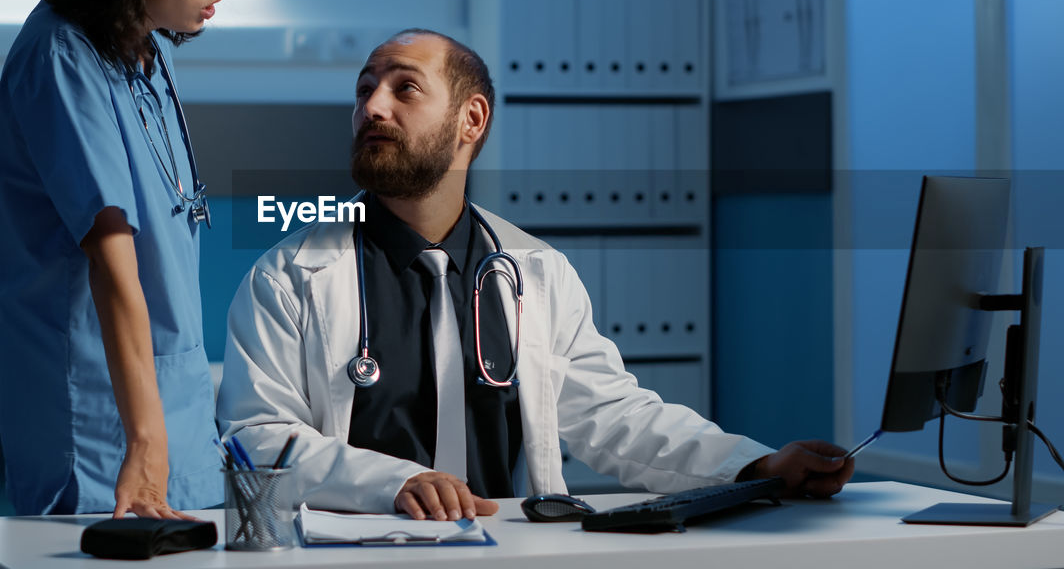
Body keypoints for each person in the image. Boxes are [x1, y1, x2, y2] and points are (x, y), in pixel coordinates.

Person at [217, 29, 855, 520]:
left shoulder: (536, 274)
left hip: (505, 546)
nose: (372, 107)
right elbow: (257, 437)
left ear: (472, 120)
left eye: (403, 88)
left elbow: (612, 416)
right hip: (352, 552)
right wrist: (396, 483)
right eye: (364, 90)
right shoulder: (290, 278)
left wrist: (756, 464)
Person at [0, 0, 244, 517]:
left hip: (176, 407)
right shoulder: (61, 57)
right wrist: (145, 439)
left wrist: (166, 432)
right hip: (101, 423)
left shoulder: (143, 55)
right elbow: (111, 260)